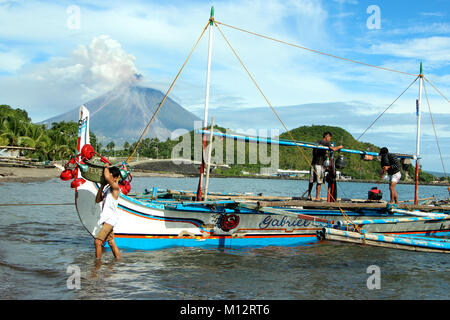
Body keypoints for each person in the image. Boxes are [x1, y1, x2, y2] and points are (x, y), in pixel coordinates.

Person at [94, 164, 122, 260]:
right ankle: (118, 261)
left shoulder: (115, 187)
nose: (107, 177)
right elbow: (97, 200)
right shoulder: (107, 189)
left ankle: (97, 265)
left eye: (110, 175)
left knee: (98, 242)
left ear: (114, 178)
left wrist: (105, 167)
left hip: (110, 219)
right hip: (107, 219)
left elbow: (106, 176)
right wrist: (101, 186)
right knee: (111, 242)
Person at [307, 131, 343, 201]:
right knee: (319, 181)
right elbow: (333, 149)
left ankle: (309, 195)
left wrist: (326, 151)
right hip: (319, 164)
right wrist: (340, 147)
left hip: (313, 163)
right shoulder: (326, 143)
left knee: (311, 181)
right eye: (329, 138)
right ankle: (317, 197)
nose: (330, 139)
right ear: (327, 136)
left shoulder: (317, 142)